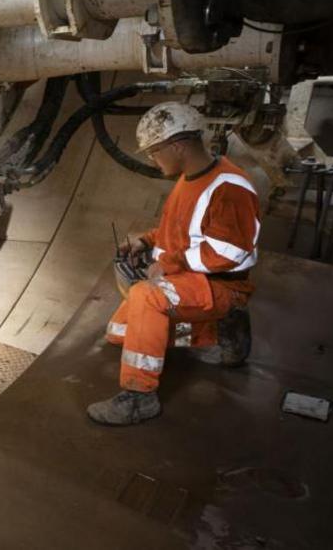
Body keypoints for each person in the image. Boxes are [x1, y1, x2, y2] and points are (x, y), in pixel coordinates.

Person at [87, 101, 258, 426]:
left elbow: (232, 252)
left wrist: (169, 264)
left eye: (154, 151)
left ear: (178, 145)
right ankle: (209, 335)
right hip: (191, 281)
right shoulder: (189, 178)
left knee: (145, 297)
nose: (152, 158)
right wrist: (147, 240)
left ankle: (139, 398)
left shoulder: (229, 188)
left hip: (221, 287)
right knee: (118, 333)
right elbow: (182, 231)